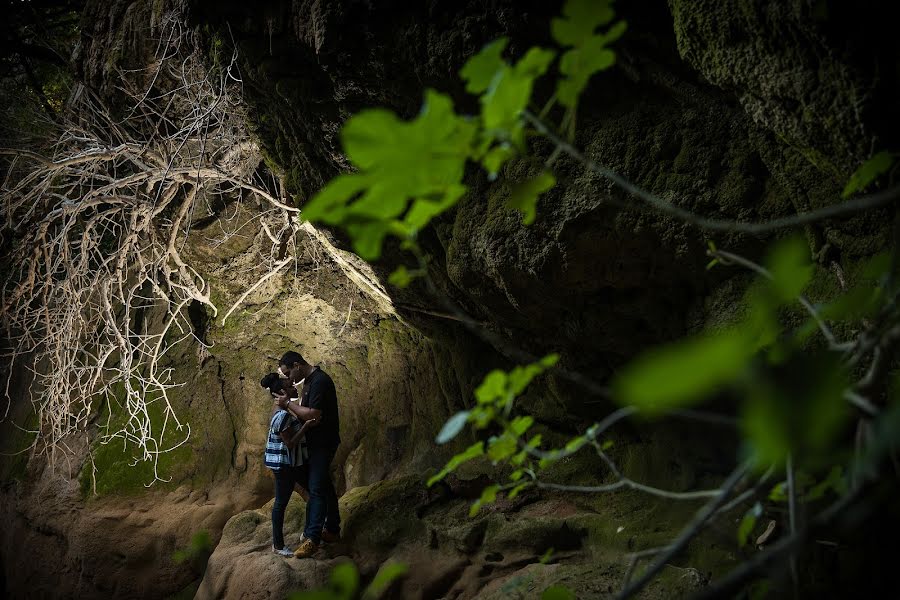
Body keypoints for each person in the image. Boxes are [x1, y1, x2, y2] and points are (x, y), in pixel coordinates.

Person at [275, 350, 341, 558]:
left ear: (297, 365)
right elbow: (305, 414)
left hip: (323, 443)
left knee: (316, 488)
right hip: (314, 444)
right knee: (325, 486)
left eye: (288, 373)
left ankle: (312, 538)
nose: (289, 379)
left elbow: (313, 415)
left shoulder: (320, 381)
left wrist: (287, 404)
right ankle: (332, 530)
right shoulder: (309, 382)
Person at [261, 372, 316, 557]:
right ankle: (278, 545)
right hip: (284, 465)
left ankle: (308, 532)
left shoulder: (281, 409)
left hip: (288, 463)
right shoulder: (282, 415)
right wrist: (306, 427)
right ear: (283, 392)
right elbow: (290, 443)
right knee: (281, 503)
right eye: (291, 386)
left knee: (312, 492)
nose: (295, 387)